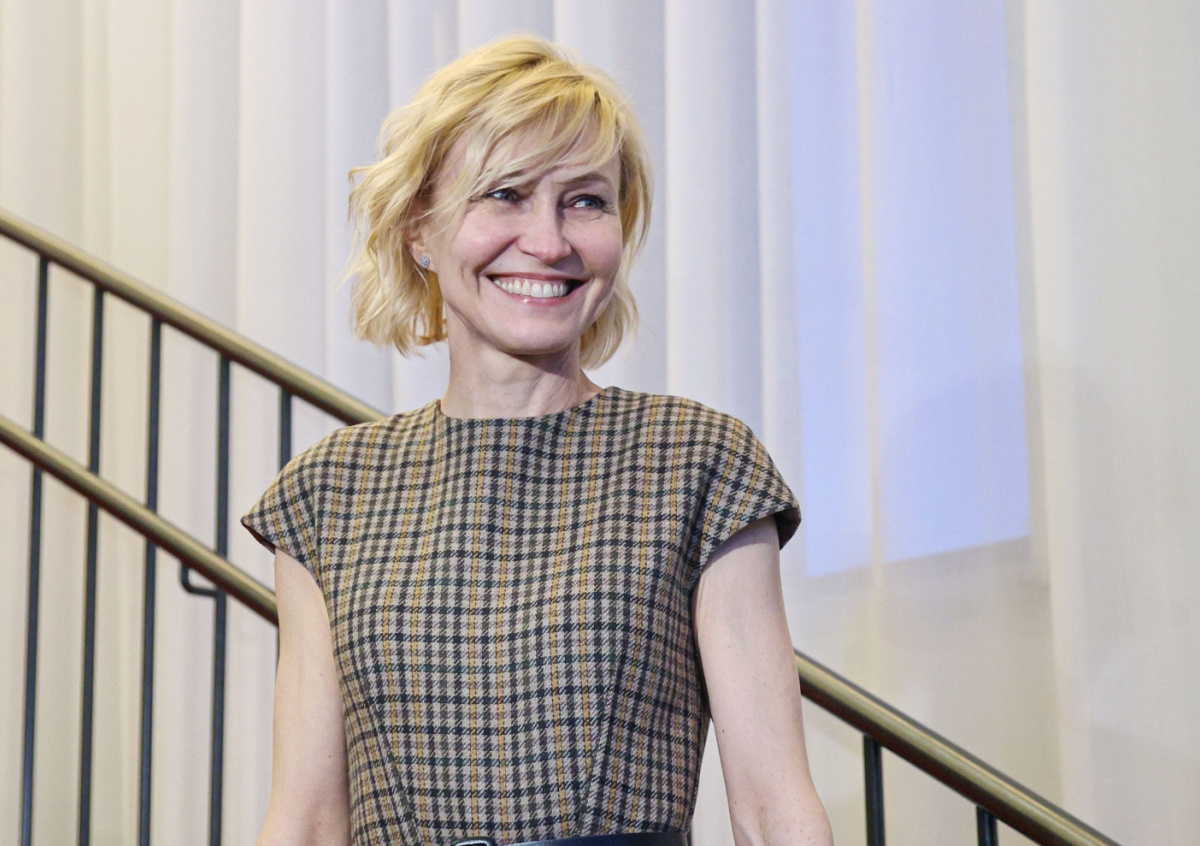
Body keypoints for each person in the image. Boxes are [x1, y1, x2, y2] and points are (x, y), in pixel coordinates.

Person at [243, 34, 833, 846]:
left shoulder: (697, 460)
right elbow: (307, 820)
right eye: (505, 194)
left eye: (586, 202)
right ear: (419, 229)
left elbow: (772, 807)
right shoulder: (328, 493)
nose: (550, 242)